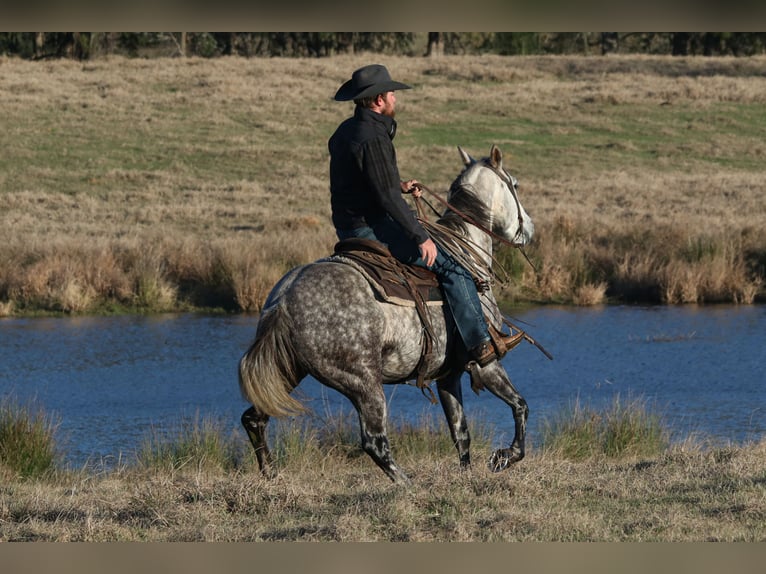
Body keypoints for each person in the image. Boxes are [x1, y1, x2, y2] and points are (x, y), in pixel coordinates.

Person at [328, 64, 516, 368]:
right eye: (390, 94)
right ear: (378, 100)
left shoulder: (345, 132)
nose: (394, 99)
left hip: (346, 226)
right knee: (455, 268)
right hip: (371, 228)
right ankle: (480, 344)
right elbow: (386, 199)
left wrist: (398, 185)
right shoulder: (374, 138)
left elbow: (361, 180)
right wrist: (421, 237)